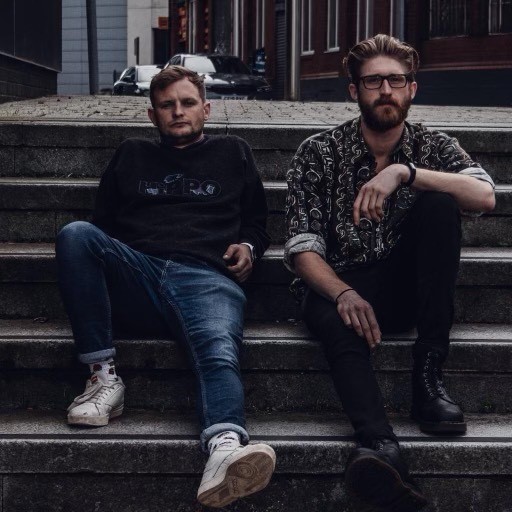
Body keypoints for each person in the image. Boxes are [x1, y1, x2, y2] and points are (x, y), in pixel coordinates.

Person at [284, 34, 495, 511]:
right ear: (353, 91)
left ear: (412, 90)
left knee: (442, 206)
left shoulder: (432, 146)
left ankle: (428, 380)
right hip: (336, 286)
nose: (385, 90)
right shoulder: (318, 153)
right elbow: (301, 249)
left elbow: (486, 197)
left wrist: (404, 173)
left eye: (395, 80)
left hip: (403, 291)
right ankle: (381, 447)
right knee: (337, 315)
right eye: (373, 81)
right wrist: (343, 293)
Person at [56, 65, 276, 509]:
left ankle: (224, 448)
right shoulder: (131, 154)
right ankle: (103, 380)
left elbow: (257, 221)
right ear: (152, 114)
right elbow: (102, 227)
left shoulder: (234, 152)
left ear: (206, 109)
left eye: (188, 103)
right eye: (167, 105)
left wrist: (250, 247)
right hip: (139, 273)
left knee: (217, 345)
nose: (178, 112)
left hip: (208, 276)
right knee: (76, 234)